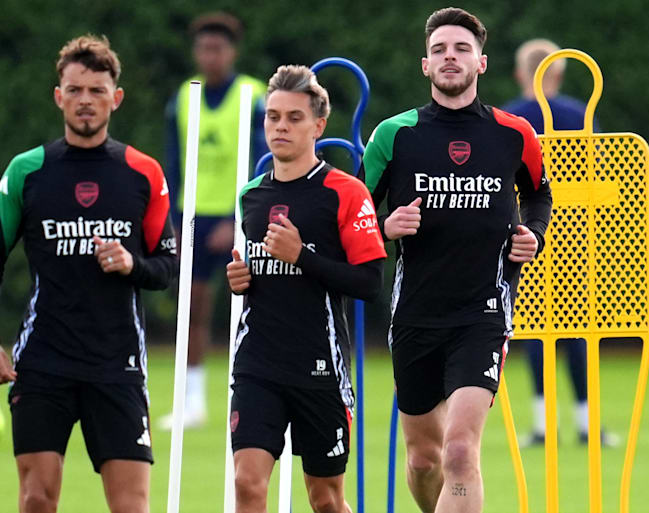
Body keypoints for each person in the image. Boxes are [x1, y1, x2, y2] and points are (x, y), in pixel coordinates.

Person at [360, 8, 552, 513]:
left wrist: (532, 234)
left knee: (461, 449)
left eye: (462, 49)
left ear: (482, 63)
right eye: (440, 49)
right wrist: (384, 228)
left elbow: (539, 196)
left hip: (483, 313)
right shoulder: (394, 135)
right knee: (425, 460)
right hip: (416, 316)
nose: (451, 57)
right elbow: (354, 215)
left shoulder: (515, 133)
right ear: (425, 65)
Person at [0, 35, 178, 513]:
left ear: (115, 98)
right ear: (58, 95)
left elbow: (166, 267)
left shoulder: (143, 173)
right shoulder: (27, 171)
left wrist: (130, 264)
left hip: (116, 364)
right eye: (75, 90)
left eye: (96, 91)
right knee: (36, 499)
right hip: (43, 363)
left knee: (131, 506)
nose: (85, 101)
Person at [226, 64, 386, 513]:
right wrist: (239, 281)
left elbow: (370, 283)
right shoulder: (251, 195)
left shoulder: (345, 192)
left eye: (294, 118)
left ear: (318, 126)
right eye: (273, 116)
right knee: (247, 483)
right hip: (257, 362)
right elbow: (256, 272)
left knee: (326, 499)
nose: (281, 126)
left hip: (319, 367)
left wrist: (304, 257)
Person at [502, 38, 616, 448]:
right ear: (559, 73)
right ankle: (587, 424)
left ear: (520, 73)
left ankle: (541, 423)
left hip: (525, 235)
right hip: (575, 238)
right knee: (578, 330)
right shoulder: (579, 115)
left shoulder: (510, 118)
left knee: (534, 330)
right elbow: (606, 176)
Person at [160, 11, 268, 429]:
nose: (210, 55)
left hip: (241, 217)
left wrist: (236, 216)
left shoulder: (253, 94)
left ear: (232, 51)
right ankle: (192, 401)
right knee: (192, 307)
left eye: (218, 48)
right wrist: (171, 216)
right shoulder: (184, 96)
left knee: (254, 310)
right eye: (203, 48)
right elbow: (172, 160)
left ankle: (256, 396)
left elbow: (264, 160)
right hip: (191, 218)